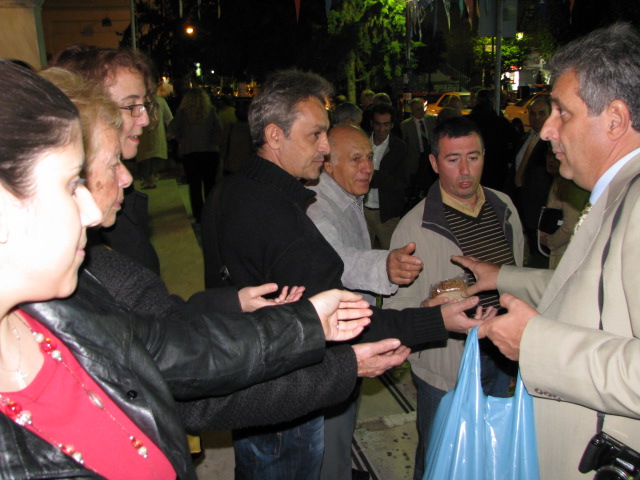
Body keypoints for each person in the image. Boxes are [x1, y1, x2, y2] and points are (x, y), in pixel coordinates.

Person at [0, 60, 373, 479]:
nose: (90, 208)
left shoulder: (71, 302)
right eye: (73, 183)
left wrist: (304, 325)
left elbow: (178, 348)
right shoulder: (81, 282)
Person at [201, 69, 488, 480]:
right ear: (275, 135)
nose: (324, 147)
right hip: (286, 398)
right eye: (315, 135)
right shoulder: (282, 219)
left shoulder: (230, 191)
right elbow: (347, 321)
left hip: (255, 385)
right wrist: (436, 319)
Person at [454, 23, 640, 479]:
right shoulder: (617, 192)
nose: (548, 130)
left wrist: (534, 343)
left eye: (563, 112)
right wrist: (502, 277)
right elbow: (593, 294)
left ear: (615, 119)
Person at [384, 116, 524, 480]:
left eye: (473, 157)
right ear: (434, 163)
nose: (465, 170)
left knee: (488, 450)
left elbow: (520, 279)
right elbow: (396, 308)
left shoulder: (505, 208)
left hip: (500, 355)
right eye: (452, 159)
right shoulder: (414, 228)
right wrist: (430, 311)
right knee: (438, 456)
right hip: (446, 366)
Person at [306, 124, 425, 479]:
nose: (367, 167)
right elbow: (339, 261)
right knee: (332, 421)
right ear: (328, 164)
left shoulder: (344, 194)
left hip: (349, 324)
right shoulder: (318, 207)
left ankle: (339, 467)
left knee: (345, 415)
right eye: (355, 159)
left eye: (369, 157)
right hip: (333, 335)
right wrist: (385, 265)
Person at [51, 44, 161, 273]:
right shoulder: (74, 219)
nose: (145, 120)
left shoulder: (119, 197)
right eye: (131, 105)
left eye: (145, 104)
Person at [509, 94, 554, 267]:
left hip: (540, 206)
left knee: (541, 256)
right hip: (522, 202)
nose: (536, 118)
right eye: (533, 113)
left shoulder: (553, 142)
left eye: (542, 113)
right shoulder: (525, 138)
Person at [169, 87, 223, 223]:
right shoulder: (211, 111)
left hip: (190, 152)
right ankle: (210, 213)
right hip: (210, 152)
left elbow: (172, 129)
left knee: (194, 186)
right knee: (210, 184)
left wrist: (182, 138)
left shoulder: (182, 113)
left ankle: (198, 214)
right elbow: (218, 130)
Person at [364, 103, 412, 249]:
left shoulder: (399, 148)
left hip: (387, 214)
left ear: (392, 125)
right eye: (378, 124)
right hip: (362, 211)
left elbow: (402, 181)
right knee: (363, 253)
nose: (381, 129)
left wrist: (371, 176)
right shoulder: (361, 142)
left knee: (391, 252)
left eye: (386, 124)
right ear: (372, 123)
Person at [539, 151, 589, 268]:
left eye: (555, 156)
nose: (551, 160)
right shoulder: (559, 181)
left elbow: (571, 224)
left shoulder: (570, 185)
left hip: (566, 252)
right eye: (549, 155)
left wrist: (551, 242)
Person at [401, 97, 437, 208]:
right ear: (412, 111)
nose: (421, 111)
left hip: (429, 155)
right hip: (415, 156)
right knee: (414, 180)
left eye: (422, 108)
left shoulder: (432, 120)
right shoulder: (405, 125)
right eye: (417, 109)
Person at [137, 89, 173, 190]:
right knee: (153, 157)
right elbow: (169, 118)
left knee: (146, 158)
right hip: (155, 134)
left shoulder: (140, 102)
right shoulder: (160, 101)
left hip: (144, 135)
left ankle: (149, 179)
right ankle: (151, 178)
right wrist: (171, 132)